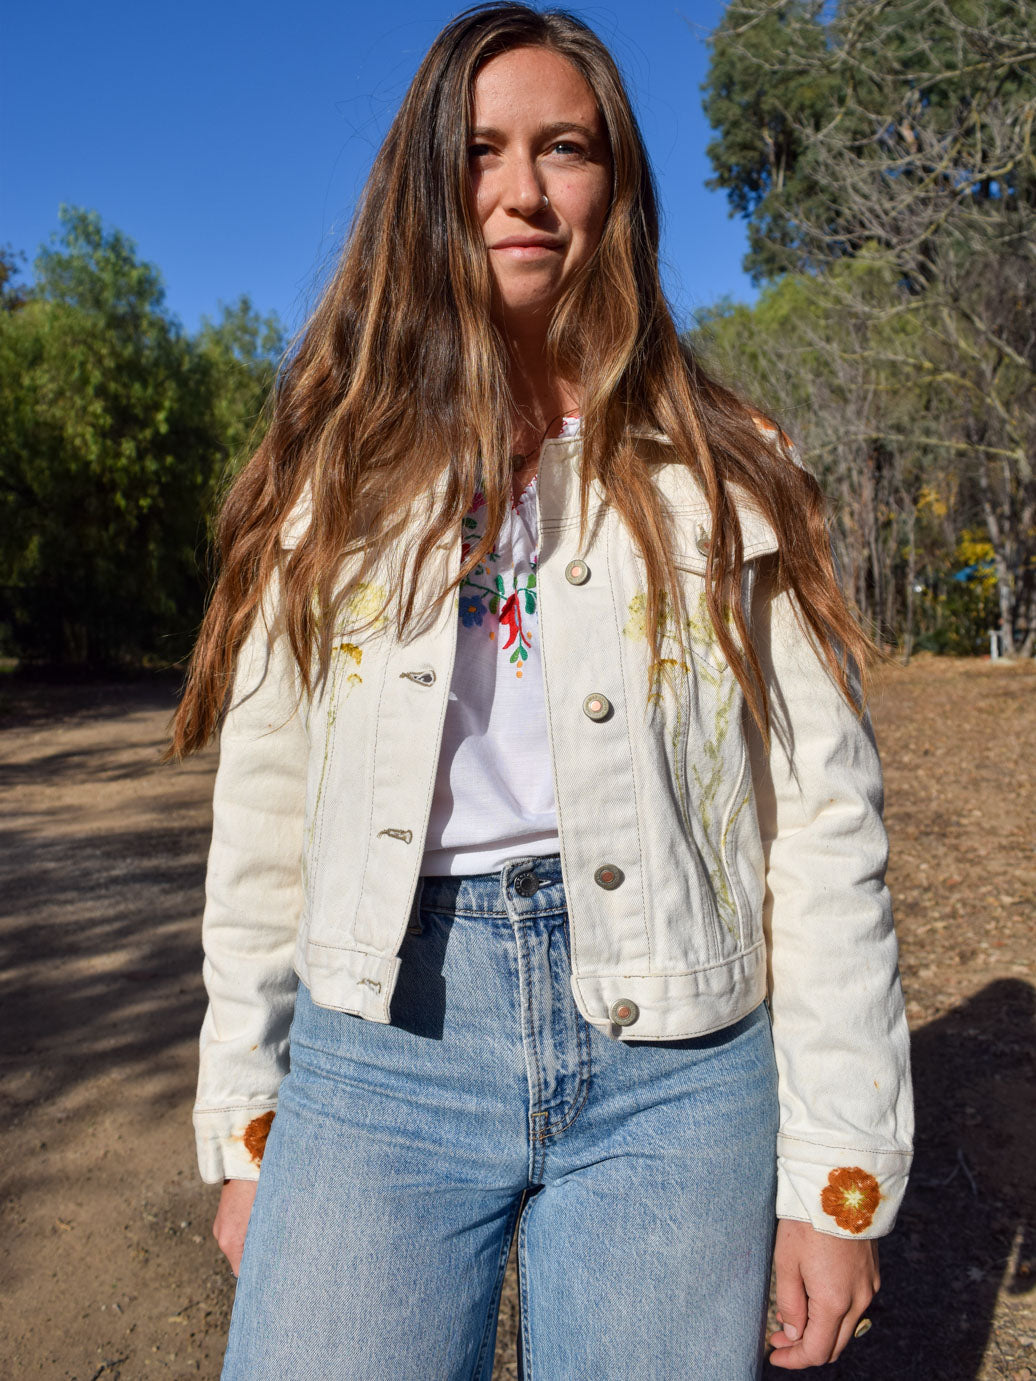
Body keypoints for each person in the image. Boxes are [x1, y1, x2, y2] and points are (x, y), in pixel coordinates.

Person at [167, 5, 913, 1377]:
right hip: (381, 1050)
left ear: (613, 186)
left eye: (564, 148)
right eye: (480, 152)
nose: (521, 190)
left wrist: (836, 1175)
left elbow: (819, 821)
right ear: (424, 187)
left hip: (678, 1066)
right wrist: (247, 1121)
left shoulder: (730, 460)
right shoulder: (334, 464)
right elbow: (265, 812)